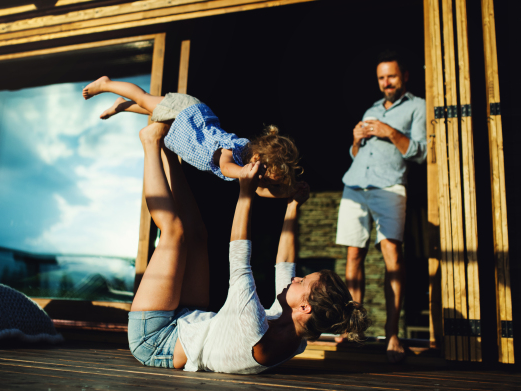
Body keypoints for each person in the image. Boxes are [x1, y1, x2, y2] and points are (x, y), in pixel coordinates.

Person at [129, 121, 370, 374]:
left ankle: (150, 142)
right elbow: (285, 266)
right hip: (193, 323)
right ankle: (167, 150)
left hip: (156, 341)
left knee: (174, 232)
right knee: (198, 235)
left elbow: (239, 257)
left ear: (305, 307)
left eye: (302, 282)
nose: (297, 278)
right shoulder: (296, 334)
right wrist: (292, 206)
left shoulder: (252, 326)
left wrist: (246, 192)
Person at [335, 50, 426, 363]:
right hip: (355, 184)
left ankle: (393, 335)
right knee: (352, 255)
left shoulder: (418, 107)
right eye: (382, 78)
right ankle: (353, 330)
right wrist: (356, 140)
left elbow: (420, 151)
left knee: (392, 255)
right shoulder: (372, 108)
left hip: (390, 186)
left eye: (392, 76)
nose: (387, 83)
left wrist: (391, 132)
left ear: (405, 77)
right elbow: (355, 155)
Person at [83, 76, 300, 198]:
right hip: (188, 113)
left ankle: (122, 105)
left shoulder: (247, 163)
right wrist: (243, 173)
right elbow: (225, 167)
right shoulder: (234, 152)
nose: (259, 181)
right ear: (257, 160)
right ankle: (106, 84)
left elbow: (261, 191)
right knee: (144, 97)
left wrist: (287, 193)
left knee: (153, 109)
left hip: (185, 123)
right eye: (262, 176)